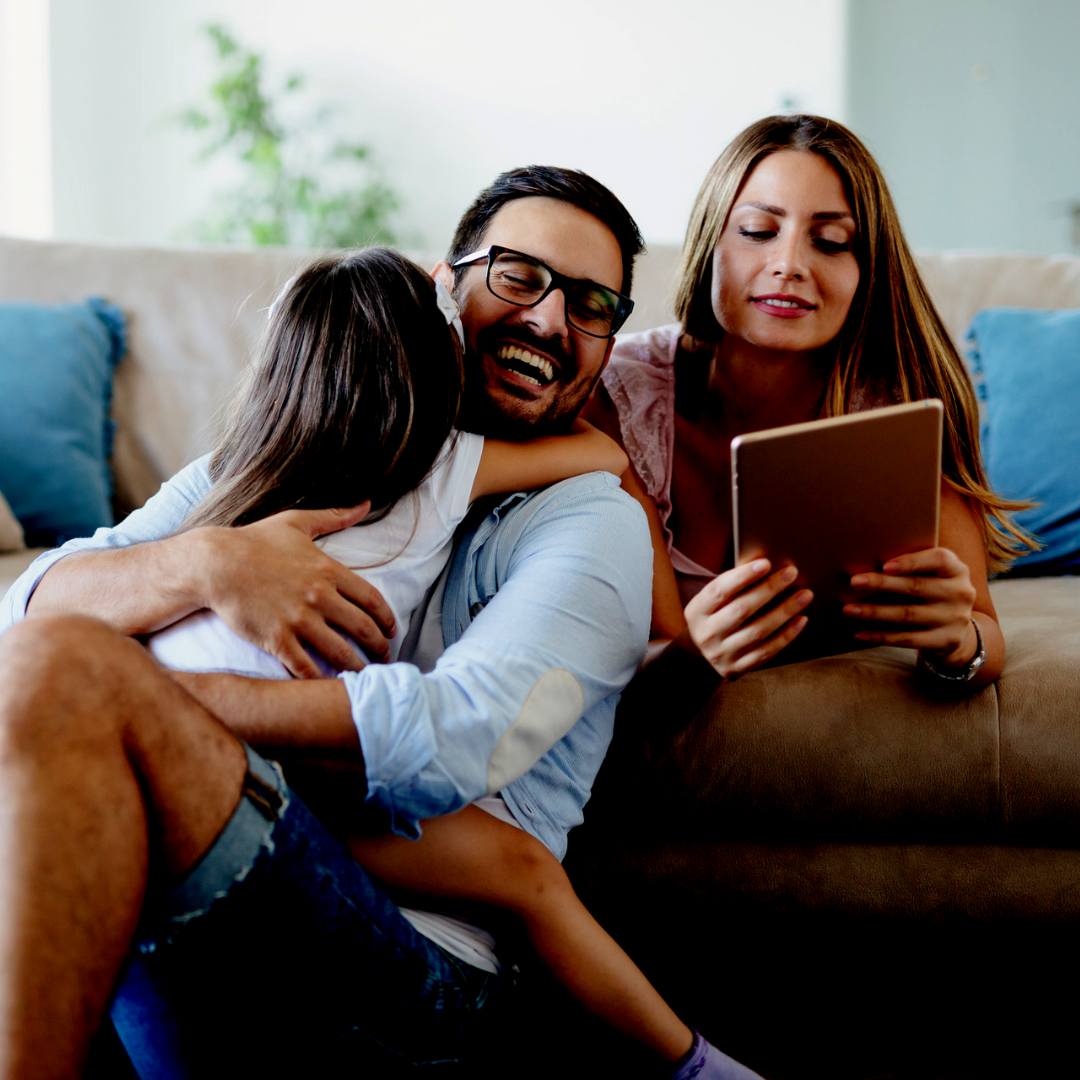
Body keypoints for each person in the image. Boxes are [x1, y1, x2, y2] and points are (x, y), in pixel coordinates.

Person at [0, 167, 745, 1078]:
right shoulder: (285, 457)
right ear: (446, 283)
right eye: (519, 276)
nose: (551, 321)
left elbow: (468, 739)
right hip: (217, 854)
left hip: (420, 972)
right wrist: (205, 561)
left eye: (591, 305)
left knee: (71, 688)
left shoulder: (590, 522)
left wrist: (133, 701)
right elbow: (26, 613)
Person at [585, 114, 1033, 689]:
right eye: (756, 231)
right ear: (709, 245)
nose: (790, 264)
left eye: (830, 241)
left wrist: (956, 640)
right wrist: (691, 657)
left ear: (865, 269)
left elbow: (983, 640)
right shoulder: (620, 396)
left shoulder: (895, 415)